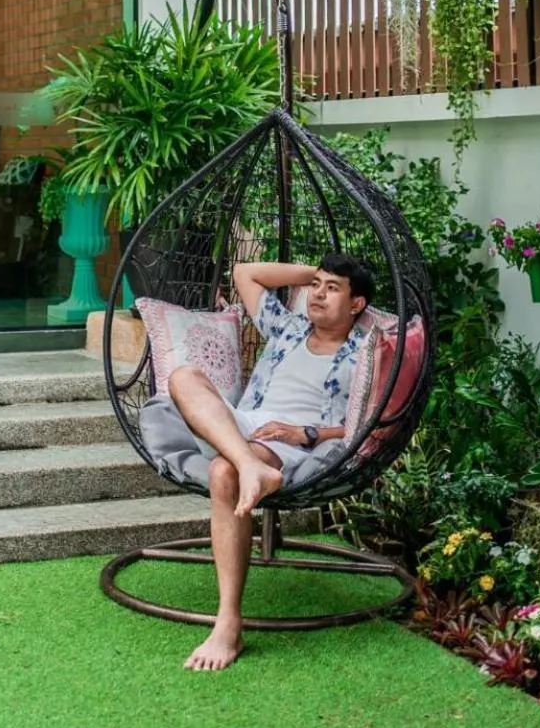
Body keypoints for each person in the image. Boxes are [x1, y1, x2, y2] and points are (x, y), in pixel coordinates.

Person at [139, 253, 374, 672]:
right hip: (241, 424)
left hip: (290, 443)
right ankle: (249, 466)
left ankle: (228, 622)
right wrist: (316, 275)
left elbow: (371, 421)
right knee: (182, 377)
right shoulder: (287, 327)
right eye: (315, 286)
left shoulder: (367, 354)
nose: (317, 294)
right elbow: (244, 273)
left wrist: (308, 433)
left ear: (357, 305)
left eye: (332, 289)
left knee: (220, 471)